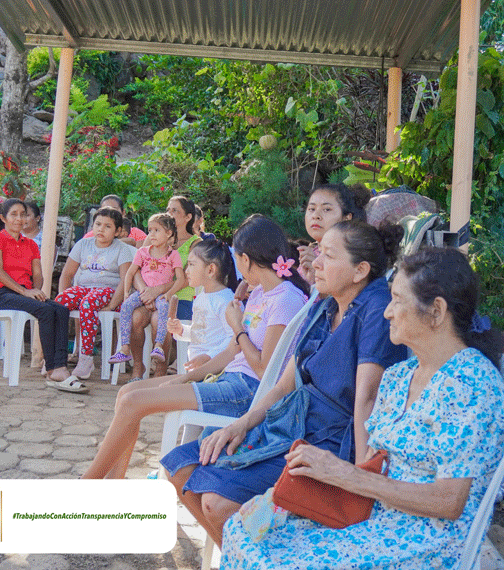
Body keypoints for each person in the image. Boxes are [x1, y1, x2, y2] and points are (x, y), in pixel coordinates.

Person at [220, 247, 504, 569]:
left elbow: (448, 501)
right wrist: (328, 476)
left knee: (276, 562)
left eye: (397, 300)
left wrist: (346, 474)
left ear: (436, 311)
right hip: (374, 515)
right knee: (244, 530)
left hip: (428, 541)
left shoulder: (472, 386)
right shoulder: (400, 376)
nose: (387, 312)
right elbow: (373, 462)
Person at [164, 220, 407, 545]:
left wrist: (360, 480)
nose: (316, 263)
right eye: (319, 253)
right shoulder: (325, 304)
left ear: (360, 270)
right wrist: (241, 424)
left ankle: (244, 559)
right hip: (290, 423)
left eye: (328, 255)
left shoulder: (375, 308)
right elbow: (282, 386)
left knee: (216, 502)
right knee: (179, 469)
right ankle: (238, 558)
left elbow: (367, 398)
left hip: (329, 442)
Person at [81, 214, 309, 480]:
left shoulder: (286, 299)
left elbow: (263, 370)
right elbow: (231, 353)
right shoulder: (259, 292)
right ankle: (112, 482)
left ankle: (88, 484)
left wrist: (237, 328)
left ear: (246, 259)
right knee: (127, 392)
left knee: (133, 402)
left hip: (246, 390)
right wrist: (187, 377)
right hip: (227, 377)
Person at [0, 198, 70, 382]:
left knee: (61, 310)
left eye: (23, 214)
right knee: (46, 310)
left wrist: (35, 291)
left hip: (23, 293)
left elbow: (38, 274)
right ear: (3, 218)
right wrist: (25, 292)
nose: (19, 219)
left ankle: (60, 365)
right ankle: (52, 368)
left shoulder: (30, 244)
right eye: (13, 214)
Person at [54, 208, 135, 387]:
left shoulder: (122, 249)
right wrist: (63, 296)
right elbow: (67, 274)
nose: (101, 229)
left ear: (118, 231)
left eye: (107, 226)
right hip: (84, 289)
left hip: (108, 292)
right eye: (98, 224)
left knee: (88, 303)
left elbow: (125, 280)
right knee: (59, 303)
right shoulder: (83, 244)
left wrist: (112, 305)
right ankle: (55, 357)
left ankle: (86, 358)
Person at [127, 196, 201, 379]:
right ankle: (138, 367)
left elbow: (186, 278)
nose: (169, 213)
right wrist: (145, 292)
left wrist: (158, 291)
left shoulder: (195, 243)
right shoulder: (152, 238)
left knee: (158, 320)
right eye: (168, 209)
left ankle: (160, 371)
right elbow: (136, 270)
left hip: (179, 298)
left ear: (188, 217)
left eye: (175, 210)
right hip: (148, 296)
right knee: (136, 317)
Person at [109, 213, 185, 366]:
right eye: (150, 230)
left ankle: (158, 346)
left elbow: (180, 279)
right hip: (141, 293)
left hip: (161, 295)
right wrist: (126, 293)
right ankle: (125, 347)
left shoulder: (173, 255)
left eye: (157, 230)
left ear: (169, 233)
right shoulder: (142, 252)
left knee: (164, 310)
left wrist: (169, 294)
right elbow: (130, 273)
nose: (152, 234)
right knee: (126, 307)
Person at [168, 238, 239, 371]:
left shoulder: (225, 301)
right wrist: (181, 330)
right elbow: (201, 334)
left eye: (191, 265)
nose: (186, 271)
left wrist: (209, 356)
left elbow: (234, 338)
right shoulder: (201, 297)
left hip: (217, 371)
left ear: (211, 269)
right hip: (200, 371)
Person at [297, 183, 369, 284]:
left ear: (346, 218)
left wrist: (317, 272)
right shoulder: (312, 252)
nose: (316, 215)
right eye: (312, 209)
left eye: (327, 209)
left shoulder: (349, 257)